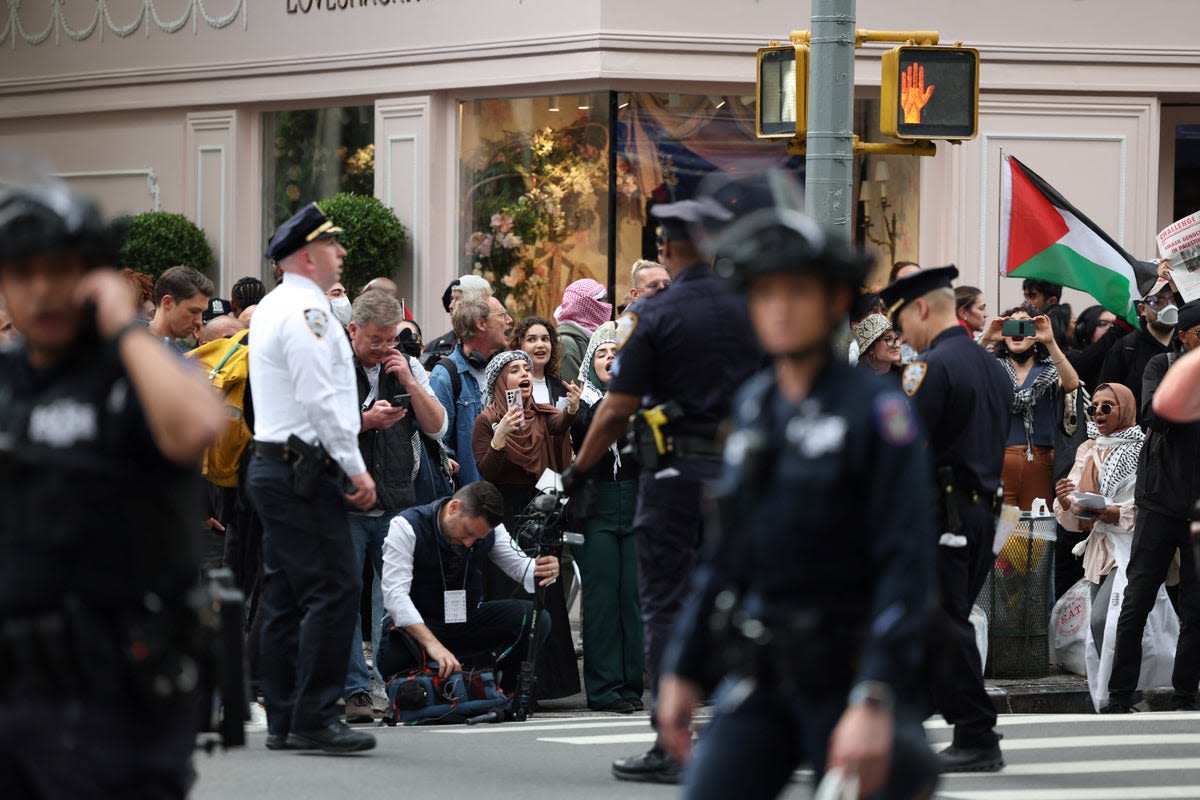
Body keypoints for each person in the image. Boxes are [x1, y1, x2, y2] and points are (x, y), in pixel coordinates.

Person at [656, 186, 939, 800]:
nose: (779, 308)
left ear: (835, 300)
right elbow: (723, 556)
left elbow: (907, 564)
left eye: (797, 292)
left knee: (901, 776)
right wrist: (682, 669)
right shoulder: (755, 409)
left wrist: (875, 696)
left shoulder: (878, 413)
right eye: (765, 293)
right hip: (762, 676)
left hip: (854, 673)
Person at [0, 182, 223, 796]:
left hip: (120, 694)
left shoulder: (132, 372)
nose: (42, 290)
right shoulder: (8, 383)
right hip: (17, 690)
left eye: (61, 273)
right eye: (24, 273)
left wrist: (123, 330)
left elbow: (197, 425)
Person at [567, 180, 759, 784]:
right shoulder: (746, 307)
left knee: (666, 605)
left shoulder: (657, 313)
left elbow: (617, 406)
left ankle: (670, 740)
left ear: (669, 248)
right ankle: (739, 736)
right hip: (739, 481)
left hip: (675, 478)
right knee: (737, 603)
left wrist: (576, 471)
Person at [244, 202, 378, 754]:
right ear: (306, 256)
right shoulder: (307, 311)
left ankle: (285, 715)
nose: (341, 253)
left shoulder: (279, 306)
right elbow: (321, 399)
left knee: (284, 591)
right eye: (331, 245)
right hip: (304, 466)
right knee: (333, 586)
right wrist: (354, 466)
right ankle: (316, 715)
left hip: (277, 464)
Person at [878, 265, 1011, 772]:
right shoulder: (989, 365)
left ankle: (976, 732)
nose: (901, 336)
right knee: (937, 620)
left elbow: (901, 445)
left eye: (900, 323)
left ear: (921, 309)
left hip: (944, 515)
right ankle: (913, 716)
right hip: (984, 514)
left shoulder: (927, 369)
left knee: (943, 622)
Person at [341, 289, 447, 724]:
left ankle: (391, 683)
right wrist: (365, 421)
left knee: (393, 596)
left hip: (396, 502)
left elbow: (437, 426)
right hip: (345, 503)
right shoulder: (333, 367)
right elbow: (316, 428)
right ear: (352, 331)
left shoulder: (405, 365)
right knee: (346, 597)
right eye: (375, 340)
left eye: (391, 339)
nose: (384, 348)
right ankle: (354, 692)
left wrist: (407, 379)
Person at [1053, 382, 1176, 710]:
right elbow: (1074, 510)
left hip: (1132, 546)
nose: (1098, 413)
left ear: (1126, 409)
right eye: (1093, 407)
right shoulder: (1088, 449)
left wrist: (1110, 511)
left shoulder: (1143, 447)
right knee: (1105, 626)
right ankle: (1115, 690)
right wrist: (1066, 500)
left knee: (1106, 620)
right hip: (1099, 546)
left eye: (1107, 406)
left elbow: (1148, 505)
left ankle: (1126, 689)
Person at [1104, 299, 1200, 713]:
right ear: (1185, 335)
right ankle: (1120, 694)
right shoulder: (1161, 366)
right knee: (1138, 597)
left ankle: (1185, 694)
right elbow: (1153, 416)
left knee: (1196, 607)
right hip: (1160, 500)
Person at [376, 482, 558, 695]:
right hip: (420, 628)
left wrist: (545, 568)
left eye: (477, 538)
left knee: (537, 619)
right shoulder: (407, 525)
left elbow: (521, 568)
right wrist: (433, 645)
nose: (469, 543)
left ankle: (505, 691)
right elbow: (395, 597)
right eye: (467, 532)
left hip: (465, 621)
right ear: (453, 507)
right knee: (392, 658)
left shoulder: (491, 530)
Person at [472, 349, 582, 700]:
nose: (523, 373)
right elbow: (487, 472)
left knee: (544, 594)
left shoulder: (540, 414)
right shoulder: (487, 420)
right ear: (498, 382)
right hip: (504, 515)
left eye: (524, 369)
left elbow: (559, 425)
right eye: (513, 369)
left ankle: (548, 683)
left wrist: (574, 408)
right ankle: (510, 683)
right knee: (510, 593)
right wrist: (500, 437)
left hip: (539, 512)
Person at [569, 321, 645, 712]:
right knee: (601, 600)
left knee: (632, 597)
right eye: (602, 353)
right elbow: (586, 430)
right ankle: (603, 688)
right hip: (595, 507)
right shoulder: (580, 403)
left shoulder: (641, 400)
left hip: (634, 502)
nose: (610, 358)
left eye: (617, 353)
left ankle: (632, 685)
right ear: (590, 363)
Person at [979, 307, 1081, 511]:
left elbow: (1072, 383)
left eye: (1025, 324)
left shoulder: (1049, 369)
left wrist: (1050, 341)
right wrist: (987, 337)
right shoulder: (991, 366)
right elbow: (962, 371)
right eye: (1012, 324)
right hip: (999, 459)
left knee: (1037, 533)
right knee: (1001, 533)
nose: (1018, 329)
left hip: (1041, 461)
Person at [429, 290, 511, 486]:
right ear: (481, 324)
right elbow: (440, 450)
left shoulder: (509, 371)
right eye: (502, 315)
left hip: (507, 494)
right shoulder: (445, 377)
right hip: (473, 498)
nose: (509, 320)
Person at [1098, 279, 1178, 425]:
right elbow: (1105, 397)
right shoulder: (1126, 347)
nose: (1169, 306)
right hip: (1137, 440)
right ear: (1142, 309)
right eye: (1159, 301)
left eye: (1172, 299)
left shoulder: (1188, 341)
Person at [554, 277, 613, 384]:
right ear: (587, 306)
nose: (607, 305)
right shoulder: (566, 344)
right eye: (602, 299)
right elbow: (577, 393)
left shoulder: (594, 337)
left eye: (606, 299)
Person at [148, 264, 215, 350]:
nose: (199, 322)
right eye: (193, 311)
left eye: (202, 313)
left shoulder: (178, 354)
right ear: (167, 303)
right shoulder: (132, 350)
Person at [509, 315, 568, 407]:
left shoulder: (562, 388)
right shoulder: (511, 386)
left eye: (545, 339)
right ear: (519, 345)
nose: (540, 345)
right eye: (531, 339)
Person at [854, 312, 903, 384]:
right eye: (888, 339)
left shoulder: (906, 376)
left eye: (896, 338)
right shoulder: (855, 381)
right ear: (871, 349)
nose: (897, 345)